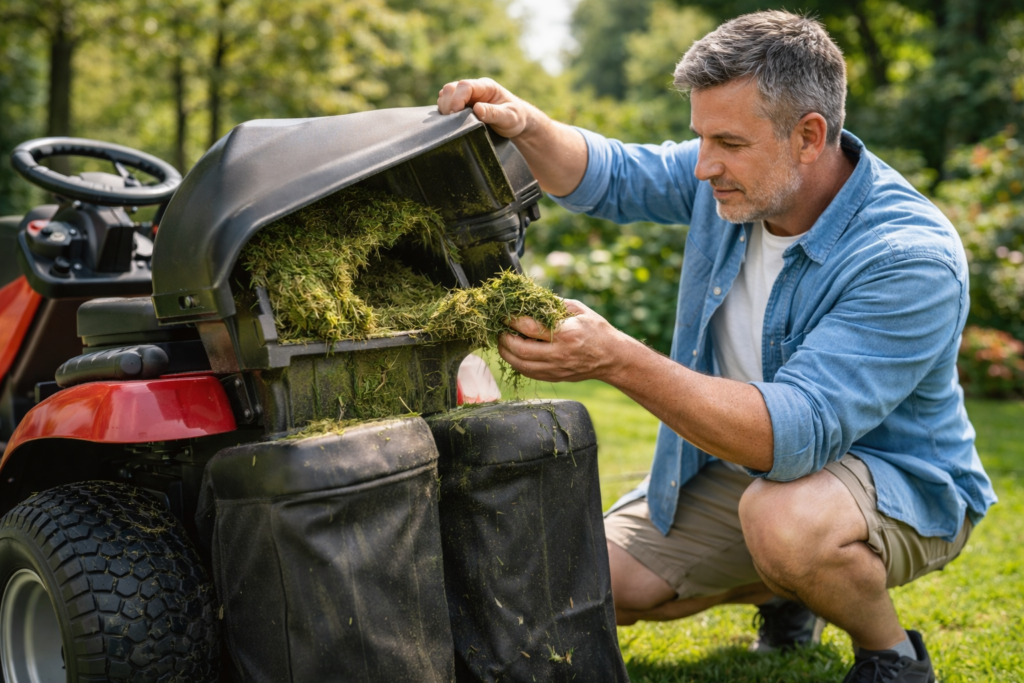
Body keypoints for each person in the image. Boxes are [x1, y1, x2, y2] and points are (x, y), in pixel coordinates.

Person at [437, 9, 995, 683]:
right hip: (747, 468)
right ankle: (783, 587)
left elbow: (792, 433)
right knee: (592, 584)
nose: (703, 166)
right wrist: (526, 124)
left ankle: (891, 655)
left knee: (784, 520)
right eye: (700, 136)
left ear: (809, 136)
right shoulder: (740, 180)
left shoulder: (907, 257)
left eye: (726, 142)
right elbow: (610, 175)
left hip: (893, 479)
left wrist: (617, 357)